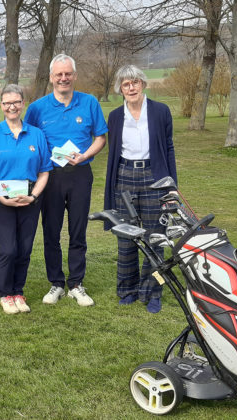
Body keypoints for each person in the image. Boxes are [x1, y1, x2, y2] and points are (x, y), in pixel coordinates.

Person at [25, 54, 107, 307]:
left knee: (78, 230)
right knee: (51, 231)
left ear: (74, 76)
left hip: (80, 174)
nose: (63, 78)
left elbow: (101, 137)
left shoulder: (90, 102)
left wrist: (85, 155)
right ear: (51, 78)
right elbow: (28, 140)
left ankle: (76, 284)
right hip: (51, 177)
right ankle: (56, 283)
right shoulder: (38, 108)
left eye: (67, 74)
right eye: (59, 74)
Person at [104, 65, 177, 313]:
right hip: (124, 176)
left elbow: (169, 148)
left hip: (153, 176)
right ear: (120, 89)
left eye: (135, 82)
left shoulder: (160, 111)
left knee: (155, 237)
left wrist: (172, 185)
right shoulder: (114, 117)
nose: (131, 87)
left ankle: (153, 291)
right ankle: (127, 289)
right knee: (126, 237)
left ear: (143, 84)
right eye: (126, 84)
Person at [0, 84, 51, 314]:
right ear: (1, 105)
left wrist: (33, 196)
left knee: (24, 248)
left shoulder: (37, 135)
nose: (12, 106)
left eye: (16, 102)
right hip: (0, 198)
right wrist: (0, 198)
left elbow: (44, 171)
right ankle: (5, 293)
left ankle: (18, 292)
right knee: (9, 248)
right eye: (7, 102)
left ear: (23, 104)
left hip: (29, 198)